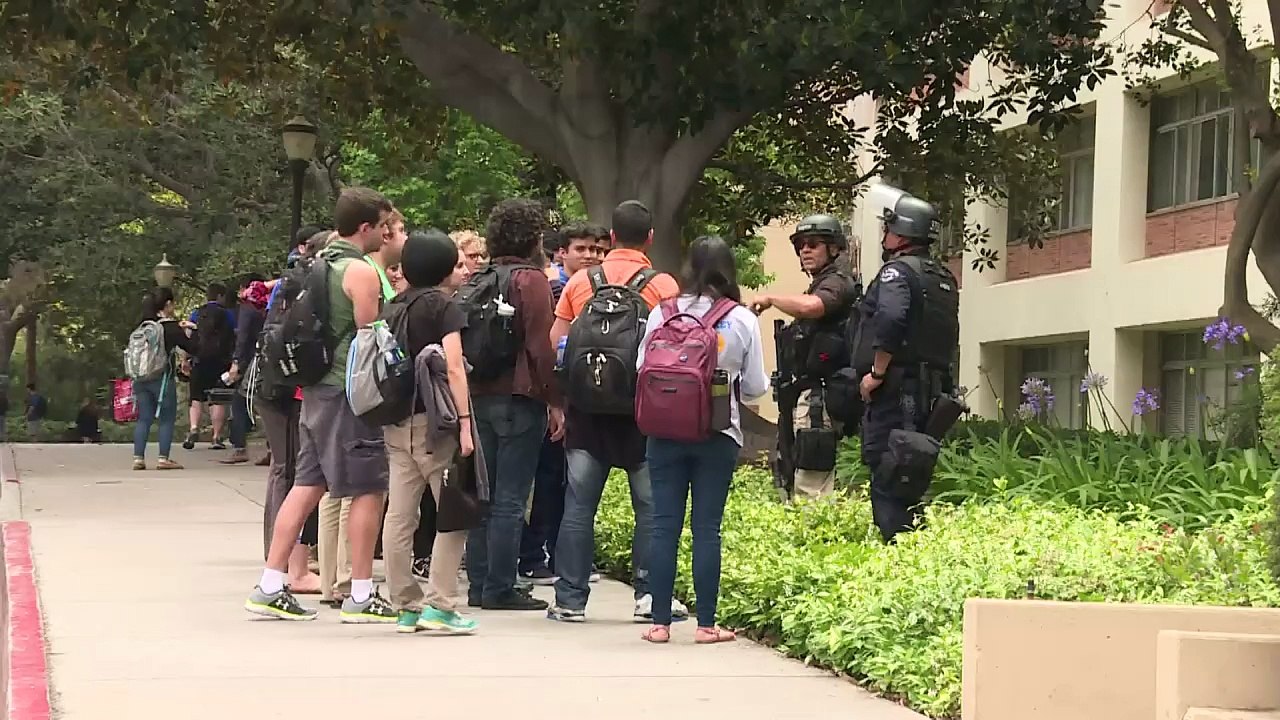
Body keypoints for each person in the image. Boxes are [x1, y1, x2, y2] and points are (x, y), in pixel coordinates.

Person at [245, 186, 398, 622]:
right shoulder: (361, 272)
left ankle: (271, 583)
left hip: (312, 391)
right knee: (369, 488)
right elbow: (372, 336)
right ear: (365, 227)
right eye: (383, 225)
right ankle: (362, 593)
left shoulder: (317, 263)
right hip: (348, 393)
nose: (386, 234)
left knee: (307, 483)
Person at [546, 200, 688, 623]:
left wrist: (563, 400)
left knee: (578, 505)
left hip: (587, 412)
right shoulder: (663, 285)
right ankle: (648, 596)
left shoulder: (580, 282)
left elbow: (558, 344)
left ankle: (570, 600)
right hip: (643, 413)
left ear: (609, 239)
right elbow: (674, 350)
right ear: (650, 238)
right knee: (649, 505)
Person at [636, 235, 769, 644]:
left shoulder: (663, 313)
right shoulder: (741, 319)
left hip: (664, 433)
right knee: (706, 528)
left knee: (663, 526)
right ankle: (706, 625)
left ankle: (659, 624)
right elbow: (753, 388)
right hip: (717, 432)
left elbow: (642, 366)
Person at [464, 199, 562, 611]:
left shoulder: (480, 278)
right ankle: (501, 588)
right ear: (533, 238)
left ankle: (479, 582)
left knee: (482, 496)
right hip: (520, 398)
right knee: (510, 497)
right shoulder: (531, 280)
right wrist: (556, 401)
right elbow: (540, 347)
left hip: (478, 394)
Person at [382, 229, 481, 635]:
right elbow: (454, 366)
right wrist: (465, 423)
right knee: (453, 511)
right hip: (436, 424)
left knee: (400, 516)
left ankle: (405, 603)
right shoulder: (443, 307)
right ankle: (440, 603)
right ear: (444, 268)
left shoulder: (392, 307)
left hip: (397, 421)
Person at [851, 192, 959, 543]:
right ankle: (912, 547)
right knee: (912, 469)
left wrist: (876, 375)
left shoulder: (897, 272)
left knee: (889, 471)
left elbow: (892, 321)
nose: (885, 233)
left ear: (901, 233)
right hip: (931, 390)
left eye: (889, 226)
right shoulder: (942, 277)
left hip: (898, 390)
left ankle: (896, 549)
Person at [749, 214, 861, 500]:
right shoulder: (821, 283)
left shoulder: (837, 283)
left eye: (813, 244)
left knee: (812, 483)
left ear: (834, 248)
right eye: (800, 245)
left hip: (821, 396)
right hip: (806, 393)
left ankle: (814, 537)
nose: (805, 251)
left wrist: (772, 299)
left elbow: (813, 307)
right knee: (796, 470)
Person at [519, 221, 604, 585]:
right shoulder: (556, 287)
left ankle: (559, 554)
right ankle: (535, 555)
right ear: (562, 252)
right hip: (552, 398)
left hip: (578, 397)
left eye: (597, 250)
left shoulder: (597, 288)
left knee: (568, 481)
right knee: (550, 479)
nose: (590, 255)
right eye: (582, 249)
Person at [131, 287, 196, 470]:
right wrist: (191, 329)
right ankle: (163, 458)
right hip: (162, 378)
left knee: (144, 418)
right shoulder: (170, 326)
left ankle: (138, 458)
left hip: (141, 377)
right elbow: (192, 347)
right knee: (167, 418)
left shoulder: (143, 325)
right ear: (167, 304)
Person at [184, 283, 238, 450]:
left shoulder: (197, 313)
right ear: (220, 296)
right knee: (218, 399)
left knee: (196, 397)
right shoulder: (228, 315)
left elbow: (188, 335)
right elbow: (235, 334)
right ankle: (216, 436)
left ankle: (193, 428)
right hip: (221, 361)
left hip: (199, 359)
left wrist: (185, 359)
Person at [222, 277, 269, 465]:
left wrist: (236, 363)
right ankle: (273, 447)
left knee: (240, 402)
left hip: (250, 361)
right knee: (266, 404)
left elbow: (242, 338)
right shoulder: (268, 306)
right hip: (268, 358)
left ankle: (239, 447)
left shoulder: (247, 309)